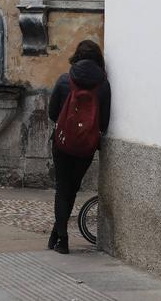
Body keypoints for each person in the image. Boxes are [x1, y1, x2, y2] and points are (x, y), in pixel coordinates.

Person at [47, 39, 111, 254]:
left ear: (77, 56)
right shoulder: (103, 85)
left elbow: (52, 113)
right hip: (86, 147)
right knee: (72, 188)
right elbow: (104, 122)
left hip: (63, 143)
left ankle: (61, 238)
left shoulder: (65, 80)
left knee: (62, 188)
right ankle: (57, 233)